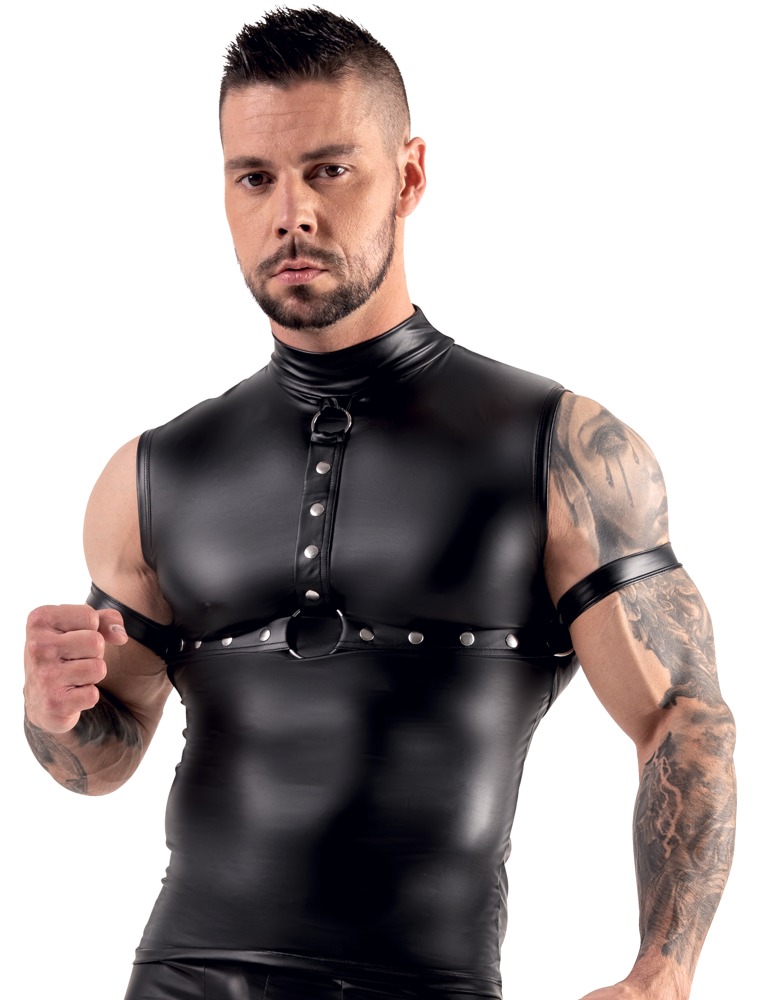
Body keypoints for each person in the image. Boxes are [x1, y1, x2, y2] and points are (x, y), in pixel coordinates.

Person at [22, 7, 736, 1000]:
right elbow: (100, 762)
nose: (292, 215)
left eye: (328, 170)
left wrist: (662, 972)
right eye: (255, 178)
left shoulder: (559, 448)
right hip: (178, 978)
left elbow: (685, 719)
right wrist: (55, 713)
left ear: (408, 175)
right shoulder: (152, 471)